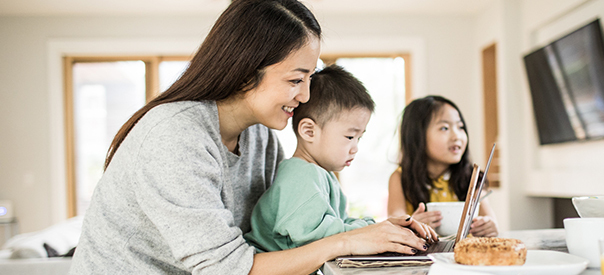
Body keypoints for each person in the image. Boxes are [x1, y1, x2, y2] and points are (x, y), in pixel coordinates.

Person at [69, 1, 434, 274]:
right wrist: (348, 240)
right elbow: (226, 268)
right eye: (295, 80)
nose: (306, 96)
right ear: (246, 72)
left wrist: (376, 231)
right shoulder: (174, 136)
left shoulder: (260, 136)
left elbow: (274, 235)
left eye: (309, 79)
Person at [244, 65, 436, 253]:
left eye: (359, 138)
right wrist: (369, 232)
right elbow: (312, 237)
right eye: (350, 137)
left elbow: (338, 224)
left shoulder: (320, 174)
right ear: (309, 131)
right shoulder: (301, 175)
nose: (355, 148)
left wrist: (376, 227)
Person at [387, 95, 499, 237]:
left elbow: (489, 219)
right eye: (444, 128)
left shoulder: (471, 177)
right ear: (417, 136)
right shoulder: (399, 177)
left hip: (465, 256)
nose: (457, 136)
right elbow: (394, 224)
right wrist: (411, 225)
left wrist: (489, 226)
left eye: (460, 127)